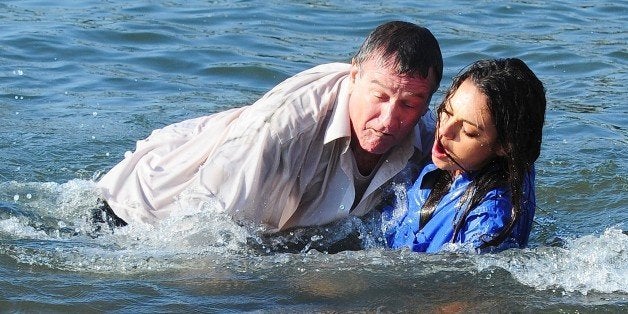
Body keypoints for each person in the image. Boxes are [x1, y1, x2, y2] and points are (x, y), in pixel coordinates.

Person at [94, 21, 444, 233]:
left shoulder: (429, 135)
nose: (388, 119)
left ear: (426, 102)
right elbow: (201, 235)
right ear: (354, 77)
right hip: (135, 211)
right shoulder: (284, 128)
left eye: (409, 104)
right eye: (379, 96)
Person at [381, 58, 546, 253]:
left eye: (468, 131)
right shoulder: (457, 163)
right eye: (447, 112)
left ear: (505, 146)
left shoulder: (488, 223)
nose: (444, 131)